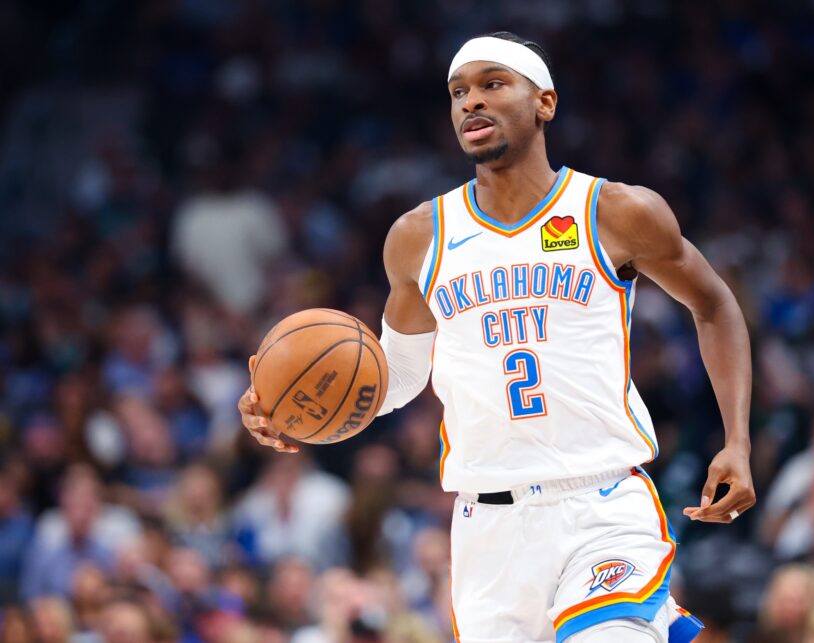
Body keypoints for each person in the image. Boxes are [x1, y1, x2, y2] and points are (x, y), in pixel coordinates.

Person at [239, 31, 755, 643]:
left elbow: (714, 304)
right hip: (487, 527)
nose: (470, 103)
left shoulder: (614, 211)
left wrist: (738, 440)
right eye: (459, 92)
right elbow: (399, 376)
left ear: (545, 103)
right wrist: (292, 408)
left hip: (602, 501)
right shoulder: (418, 236)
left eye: (492, 84)